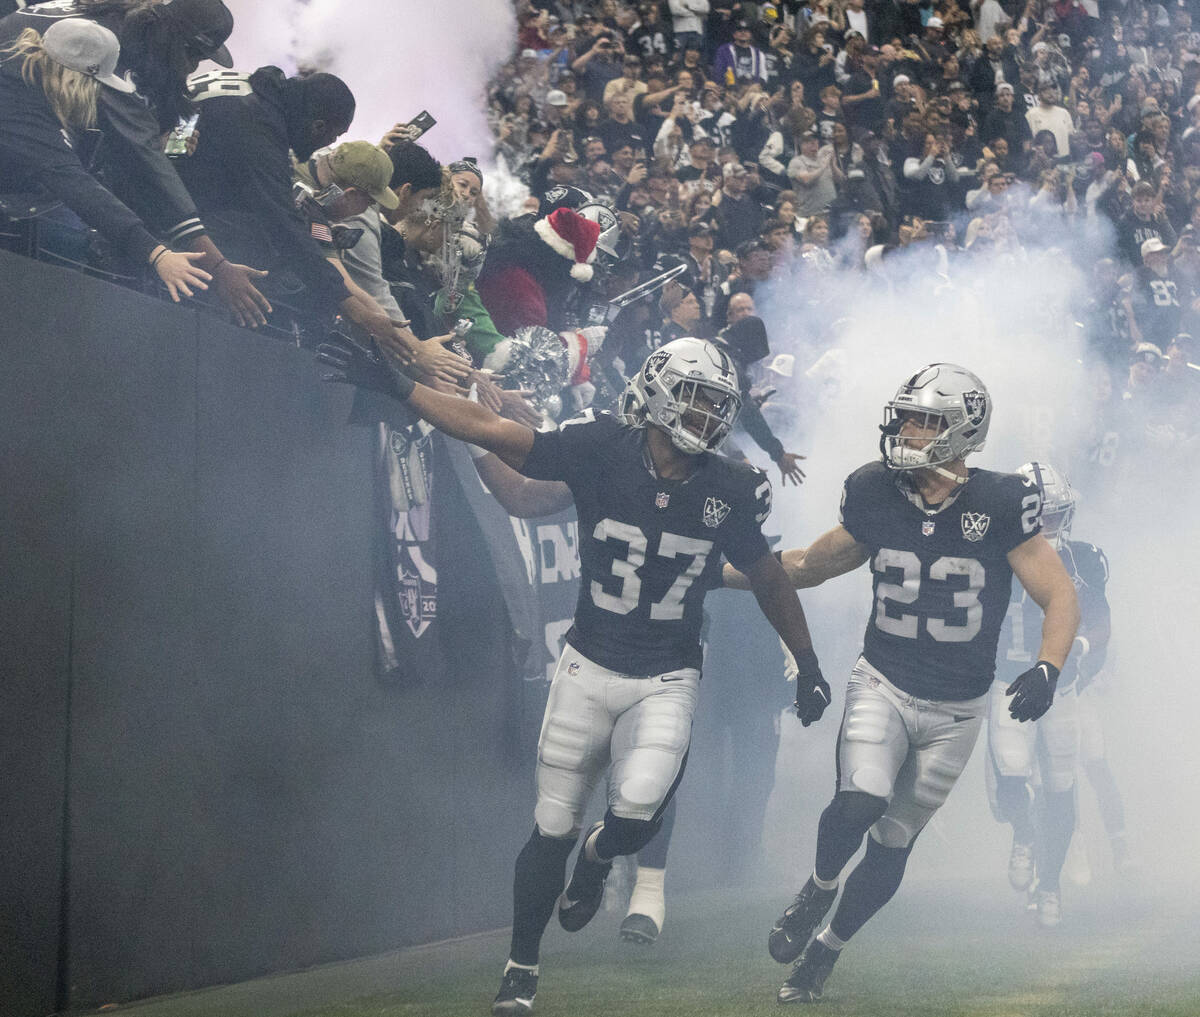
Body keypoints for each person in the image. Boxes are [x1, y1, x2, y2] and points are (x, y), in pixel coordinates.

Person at [315, 333, 831, 1017]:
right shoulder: (600, 446)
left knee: (638, 807)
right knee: (549, 823)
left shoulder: (727, 485)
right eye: (695, 400)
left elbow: (767, 578)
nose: (705, 419)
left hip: (667, 672)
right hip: (588, 663)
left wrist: (810, 662)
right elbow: (494, 430)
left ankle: (598, 857)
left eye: (717, 407)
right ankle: (520, 971)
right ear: (656, 391)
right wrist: (405, 389)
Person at [725, 364, 1079, 1004]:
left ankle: (824, 954)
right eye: (906, 415)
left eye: (923, 419)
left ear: (959, 431)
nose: (905, 428)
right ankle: (820, 884)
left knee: (893, 839)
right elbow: (809, 565)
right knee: (861, 801)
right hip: (883, 681)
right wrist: (723, 573)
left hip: (958, 708)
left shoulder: (1000, 500)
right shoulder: (874, 490)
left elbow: (1057, 593)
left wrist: (1049, 667)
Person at [0, 20, 210, 301]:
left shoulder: (27, 78)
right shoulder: (17, 102)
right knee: (65, 238)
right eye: (95, 86)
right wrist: (156, 254)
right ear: (77, 77)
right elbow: (71, 181)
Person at [986, 462, 1109, 928]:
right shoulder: (993, 555)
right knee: (1013, 775)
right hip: (1007, 680)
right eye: (1039, 518)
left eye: (1055, 517)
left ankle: (1049, 885)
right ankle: (1025, 834)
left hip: (1063, 686)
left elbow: (1101, 622)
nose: (1048, 528)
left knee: (1060, 784)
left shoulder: (1084, 559)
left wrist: (1078, 648)